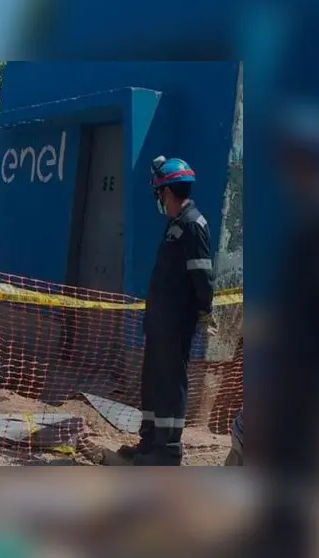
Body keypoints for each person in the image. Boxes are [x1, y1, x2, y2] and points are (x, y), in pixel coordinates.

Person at [117, 156, 215, 466]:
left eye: (159, 193)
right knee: (154, 381)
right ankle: (150, 442)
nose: (158, 200)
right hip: (160, 322)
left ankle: (168, 450)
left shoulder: (192, 225)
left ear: (168, 192)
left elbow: (202, 274)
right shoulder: (176, 224)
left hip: (176, 323)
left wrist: (204, 310)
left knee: (171, 384)